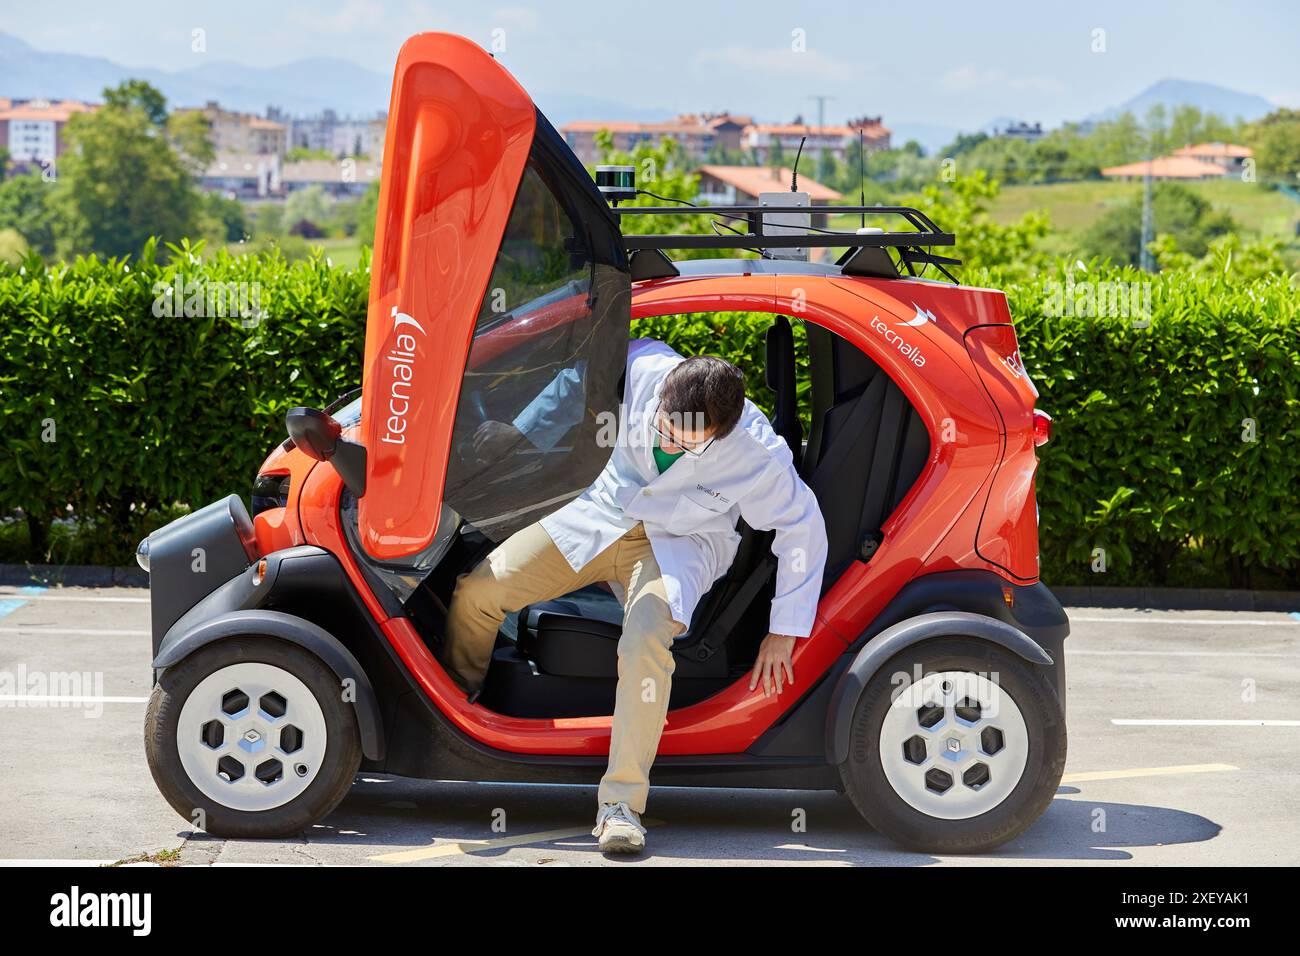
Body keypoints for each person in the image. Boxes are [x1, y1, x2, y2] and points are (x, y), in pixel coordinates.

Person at [441, 337, 827, 855]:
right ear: (664, 393)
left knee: (646, 638)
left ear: (723, 430)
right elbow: (577, 376)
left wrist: (784, 630)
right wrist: (521, 427)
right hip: (603, 515)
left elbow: (803, 527)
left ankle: (620, 806)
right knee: (479, 590)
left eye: (687, 442)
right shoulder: (645, 365)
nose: (669, 439)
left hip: (681, 543)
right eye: (664, 426)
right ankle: (456, 716)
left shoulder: (757, 453)